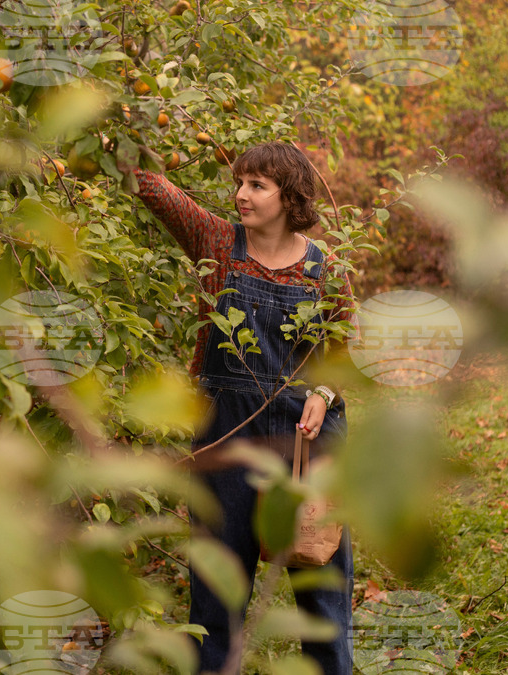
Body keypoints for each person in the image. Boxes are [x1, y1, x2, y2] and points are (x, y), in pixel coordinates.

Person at [130, 141, 356, 674]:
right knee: (216, 587)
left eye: (257, 185)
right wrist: (133, 120)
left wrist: (323, 395)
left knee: (320, 583)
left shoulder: (325, 268)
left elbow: (345, 345)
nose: (240, 195)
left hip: (308, 431)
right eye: (239, 182)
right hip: (226, 429)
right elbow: (150, 187)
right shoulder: (216, 241)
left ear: (290, 195)